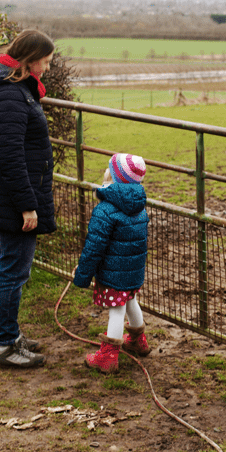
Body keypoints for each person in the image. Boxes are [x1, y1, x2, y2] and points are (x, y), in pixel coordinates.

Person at [0, 29, 56, 368]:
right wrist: (27, 205)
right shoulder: (9, 96)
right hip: (13, 198)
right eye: (46, 62)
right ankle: (6, 346)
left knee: (2, 265)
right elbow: (11, 155)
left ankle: (4, 333)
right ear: (30, 60)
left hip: (3, 193)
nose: (48, 69)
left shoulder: (11, 87)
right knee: (12, 271)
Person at [73, 154, 151, 373]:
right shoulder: (139, 206)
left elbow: (94, 247)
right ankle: (138, 340)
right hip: (131, 272)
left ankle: (107, 358)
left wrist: (82, 274)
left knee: (116, 309)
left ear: (114, 177)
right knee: (130, 300)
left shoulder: (105, 210)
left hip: (113, 273)